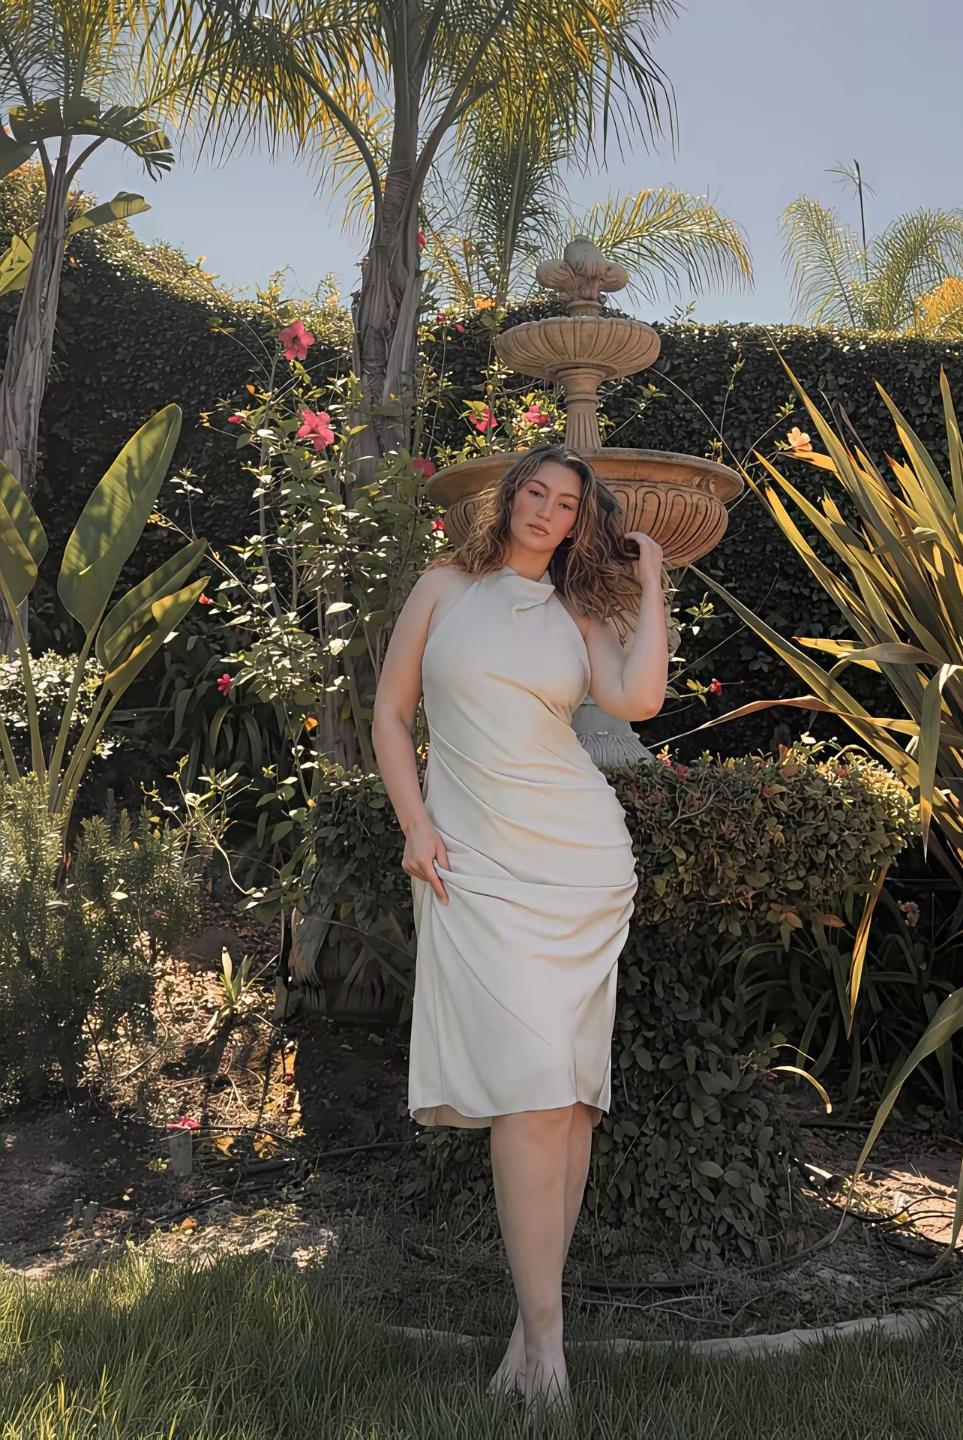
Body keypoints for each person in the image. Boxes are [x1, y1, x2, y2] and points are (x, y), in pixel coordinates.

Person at [371, 443, 669, 1406]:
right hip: (474, 866)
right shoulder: (444, 587)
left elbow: (638, 699)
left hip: (579, 863)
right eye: (535, 493)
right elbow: (391, 715)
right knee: (535, 1091)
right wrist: (416, 825)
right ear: (508, 500)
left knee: (568, 1101)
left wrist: (653, 585)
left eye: (566, 504)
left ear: (581, 522)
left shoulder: (579, 611)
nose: (546, 511)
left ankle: (534, 1343)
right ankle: (545, 1341)